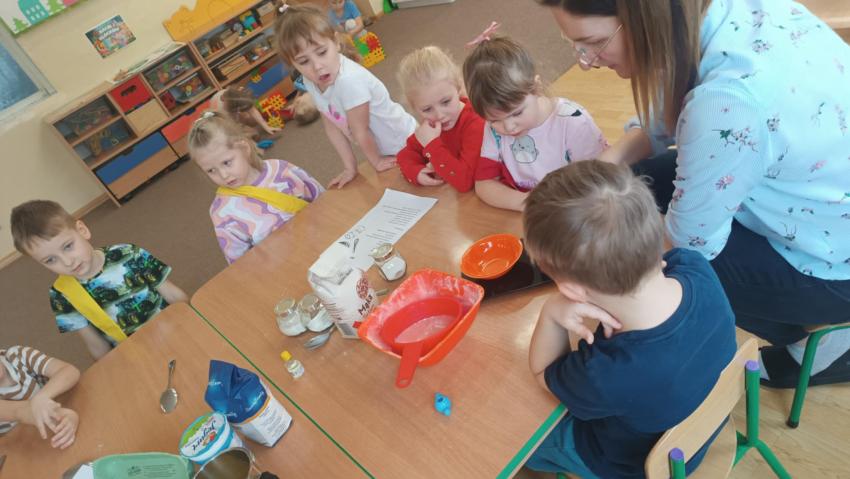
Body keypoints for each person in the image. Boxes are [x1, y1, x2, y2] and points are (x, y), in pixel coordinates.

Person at [543, 0, 850, 387]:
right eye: (574, 45)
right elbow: (678, 118)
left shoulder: (728, 101)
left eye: (593, 43)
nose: (586, 62)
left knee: (664, 265)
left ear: (645, 19)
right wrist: (610, 161)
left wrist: (592, 262)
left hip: (833, 265)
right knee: (630, 188)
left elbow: (691, 245)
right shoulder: (716, 14)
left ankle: (822, 344)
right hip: (811, 201)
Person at [523, 160, 737, 478]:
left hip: (635, 464)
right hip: (699, 432)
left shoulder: (606, 372)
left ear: (571, 289)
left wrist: (552, 313)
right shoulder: (694, 266)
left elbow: (543, 372)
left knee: (523, 440)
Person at [10, 201, 188, 360]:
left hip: (173, 327)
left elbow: (172, 293)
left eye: (68, 246)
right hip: (135, 353)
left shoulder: (128, 252)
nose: (67, 262)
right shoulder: (61, 295)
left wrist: (192, 320)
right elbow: (95, 344)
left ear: (82, 230)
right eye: (50, 260)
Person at [462, 24, 608, 212]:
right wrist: (528, 203)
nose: (509, 127)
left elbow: (599, 184)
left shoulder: (573, 122)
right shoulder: (493, 129)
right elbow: (484, 184)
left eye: (516, 113)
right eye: (495, 120)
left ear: (536, 88)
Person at [274, 3, 416, 188]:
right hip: (381, 148)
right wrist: (350, 168)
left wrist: (376, 161)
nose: (317, 66)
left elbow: (360, 130)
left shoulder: (349, 81)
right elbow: (332, 126)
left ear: (336, 42)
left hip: (405, 142)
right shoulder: (310, 81)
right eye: (303, 61)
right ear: (292, 63)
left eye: (322, 52)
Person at [189, 111, 323, 264]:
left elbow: (322, 200)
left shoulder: (280, 169)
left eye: (227, 162)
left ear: (244, 148)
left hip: (322, 242)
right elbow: (240, 263)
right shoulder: (221, 212)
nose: (224, 175)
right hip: (284, 266)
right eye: (211, 170)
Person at [395, 46, 485, 192]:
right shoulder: (430, 126)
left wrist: (432, 146)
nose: (439, 115)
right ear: (414, 108)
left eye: (446, 102)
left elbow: (465, 181)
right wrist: (416, 173)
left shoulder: (476, 123)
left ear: (458, 88)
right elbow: (405, 155)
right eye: (427, 109)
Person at [0, 345, 80, 449]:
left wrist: (42, 397)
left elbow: (70, 371)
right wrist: (62, 415)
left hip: (46, 432)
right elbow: (25, 412)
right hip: (18, 446)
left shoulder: (18, 355)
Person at [209, 86, 282, 141]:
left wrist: (266, 126)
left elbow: (252, 110)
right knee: (251, 134)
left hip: (232, 108)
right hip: (223, 121)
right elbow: (230, 129)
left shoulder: (239, 93)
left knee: (252, 121)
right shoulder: (222, 110)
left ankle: (247, 128)